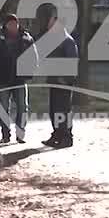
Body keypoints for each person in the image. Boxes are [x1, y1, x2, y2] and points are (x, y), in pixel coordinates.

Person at [0, 13, 36, 143]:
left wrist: (30, 72)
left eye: (15, 24)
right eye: (10, 24)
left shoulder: (26, 38)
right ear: (6, 25)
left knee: (22, 107)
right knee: (3, 108)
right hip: (3, 79)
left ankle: (20, 134)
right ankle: (5, 135)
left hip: (20, 79)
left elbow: (33, 56)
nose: (14, 26)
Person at [43, 8, 78, 148]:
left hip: (63, 82)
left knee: (63, 111)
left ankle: (67, 137)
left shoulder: (67, 41)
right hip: (54, 81)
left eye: (52, 20)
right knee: (54, 110)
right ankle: (57, 134)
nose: (49, 23)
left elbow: (72, 62)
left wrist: (65, 79)